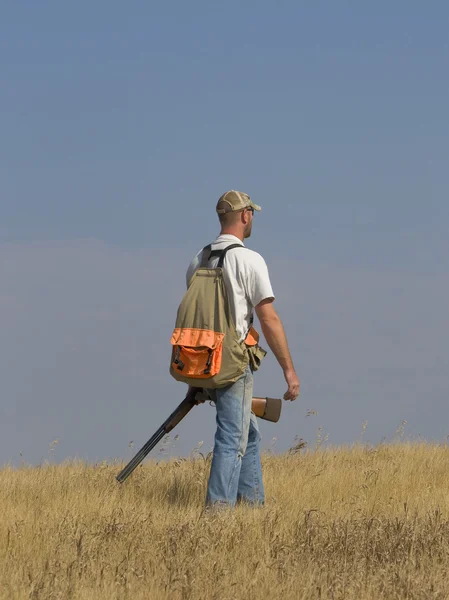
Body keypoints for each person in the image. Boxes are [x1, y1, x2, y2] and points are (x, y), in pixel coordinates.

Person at [185, 190, 300, 509]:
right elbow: (268, 318)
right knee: (232, 438)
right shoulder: (249, 259)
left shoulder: (199, 258)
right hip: (233, 361)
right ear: (245, 215)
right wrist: (288, 370)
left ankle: (252, 508)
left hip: (201, 359)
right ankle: (218, 515)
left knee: (247, 434)